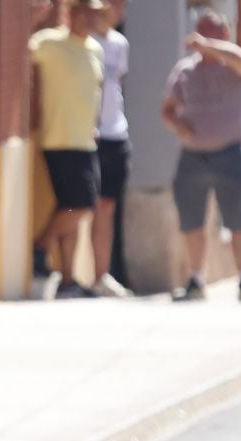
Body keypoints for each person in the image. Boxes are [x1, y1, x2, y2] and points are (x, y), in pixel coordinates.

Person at [161, 7, 241, 303]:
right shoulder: (185, 70)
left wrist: (210, 47)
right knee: (191, 220)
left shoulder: (234, 67)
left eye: (211, 31)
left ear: (224, 35)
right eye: (201, 31)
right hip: (192, 156)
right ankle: (195, 279)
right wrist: (179, 127)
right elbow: (166, 109)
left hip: (229, 152)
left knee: (237, 218)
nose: (203, 37)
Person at [29, 0, 106, 299]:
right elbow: (24, 54)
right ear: (71, 13)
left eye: (94, 13)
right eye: (84, 11)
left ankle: (69, 280)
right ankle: (40, 246)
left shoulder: (95, 50)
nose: (90, 18)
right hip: (60, 139)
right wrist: (36, 19)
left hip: (86, 141)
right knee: (82, 204)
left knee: (71, 207)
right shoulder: (50, 43)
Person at [91, 0, 132, 297]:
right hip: (90, 135)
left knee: (107, 205)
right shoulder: (87, 42)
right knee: (82, 205)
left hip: (116, 132)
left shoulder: (120, 43)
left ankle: (101, 275)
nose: (123, 9)